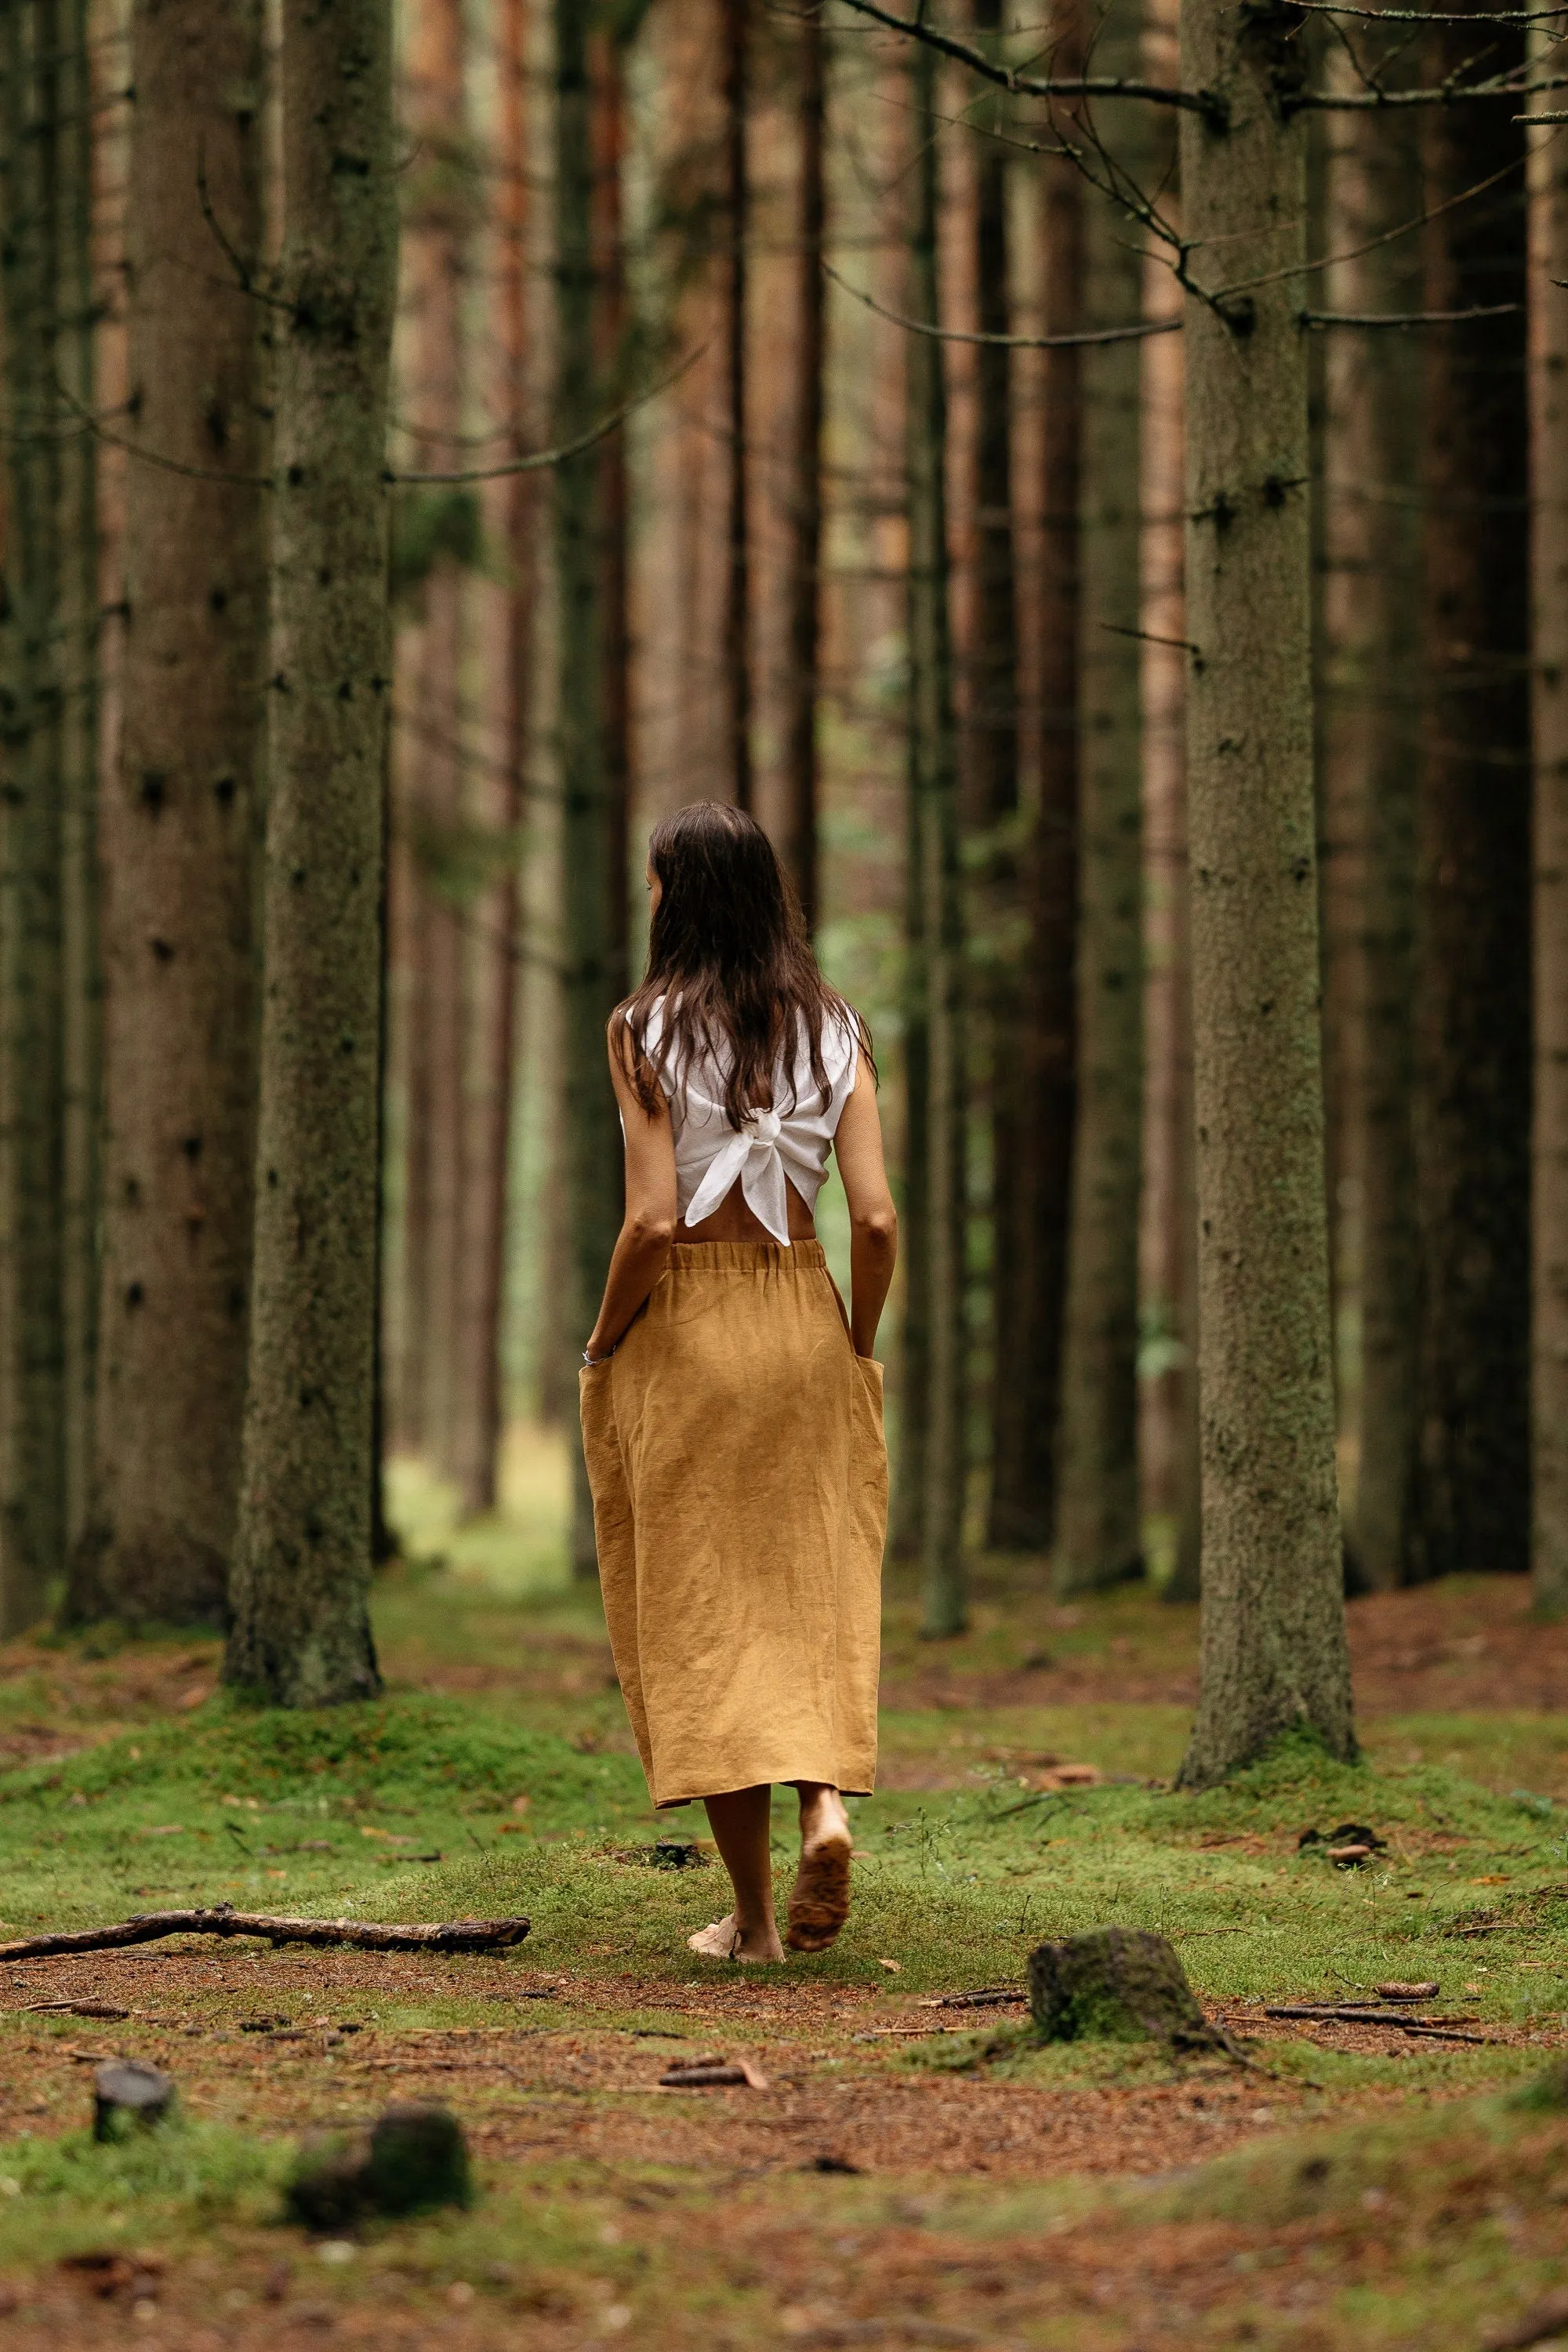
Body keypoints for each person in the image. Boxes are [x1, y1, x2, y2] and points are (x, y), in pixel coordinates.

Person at [579, 801, 897, 1964]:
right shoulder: (841, 1027)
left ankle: (756, 1924)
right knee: (808, 1589)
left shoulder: (639, 1029)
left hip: (690, 1336)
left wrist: (606, 1342)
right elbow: (873, 1214)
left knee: (707, 1616)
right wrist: (854, 1341)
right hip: (804, 1313)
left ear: (679, 895)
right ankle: (827, 1807)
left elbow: (654, 1222)